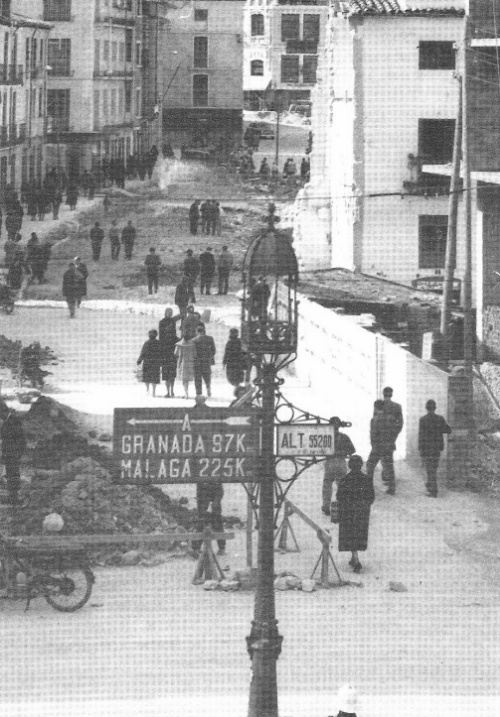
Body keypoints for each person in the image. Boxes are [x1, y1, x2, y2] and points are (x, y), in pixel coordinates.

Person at [191, 396, 226, 556]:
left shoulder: (208, 418)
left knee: (213, 514)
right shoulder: (196, 417)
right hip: (205, 481)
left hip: (213, 481)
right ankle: (198, 546)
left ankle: (219, 546)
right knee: (204, 515)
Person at [337, 454, 375, 573]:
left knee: (350, 535)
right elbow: (371, 497)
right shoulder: (367, 479)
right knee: (358, 535)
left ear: (349, 466)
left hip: (348, 513)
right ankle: (354, 558)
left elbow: (339, 496)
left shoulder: (344, 480)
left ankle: (356, 559)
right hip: (362, 513)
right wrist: (364, 506)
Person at [418, 399, 451, 497]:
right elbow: (448, 430)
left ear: (426, 408)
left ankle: (433, 490)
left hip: (427, 448)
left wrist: (421, 450)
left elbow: (421, 436)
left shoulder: (423, 419)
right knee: (433, 469)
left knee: (429, 469)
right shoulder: (440, 419)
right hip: (436, 448)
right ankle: (430, 486)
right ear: (435, 408)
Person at [321, 424, 356, 515]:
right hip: (341, 462)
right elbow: (352, 450)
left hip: (330, 462)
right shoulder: (344, 437)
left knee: (327, 485)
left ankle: (326, 507)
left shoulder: (326, 437)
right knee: (342, 485)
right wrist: (343, 451)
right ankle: (343, 506)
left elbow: (320, 449)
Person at [365, 399, 398, 495]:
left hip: (378, 447)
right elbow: (394, 432)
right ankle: (392, 488)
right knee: (389, 466)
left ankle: (369, 488)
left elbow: (373, 435)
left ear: (375, 407)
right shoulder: (391, 418)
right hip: (389, 446)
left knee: (370, 466)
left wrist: (374, 446)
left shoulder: (375, 419)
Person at [1, 410, 26, 505]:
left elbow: (21, 439)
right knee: (11, 475)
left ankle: (14, 498)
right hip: (10, 455)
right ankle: (12, 497)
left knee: (13, 475)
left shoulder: (13, 421)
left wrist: (17, 454)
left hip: (13, 455)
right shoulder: (8, 421)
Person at [159, 308, 181, 397]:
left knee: (171, 373)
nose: (170, 314)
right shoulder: (163, 322)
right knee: (168, 373)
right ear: (165, 313)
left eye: (171, 313)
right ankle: (169, 392)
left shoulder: (171, 321)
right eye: (169, 312)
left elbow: (174, 335)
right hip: (166, 351)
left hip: (170, 350)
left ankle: (171, 391)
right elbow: (161, 336)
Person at [136, 329, 162, 397]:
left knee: (147, 378)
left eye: (150, 334)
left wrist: (139, 360)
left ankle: (148, 390)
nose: (149, 335)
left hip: (148, 362)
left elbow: (143, 353)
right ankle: (153, 392)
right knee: (154, 378)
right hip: (155, 363)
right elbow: (161, 353)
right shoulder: (158, 343)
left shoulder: (147, 343)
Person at [193, 325, 216, 397]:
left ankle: (199, 393)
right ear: (204, 331)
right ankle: (208, 387)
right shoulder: (210, 338)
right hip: (206, 361)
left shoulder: (194, 340)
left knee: (197, 378)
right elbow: (214, 350)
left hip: (197, 362)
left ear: (197, 332)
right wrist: (209, 356)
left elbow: (192, 352)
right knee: (207, 376)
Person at [174, 331, 196, 399]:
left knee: (184, 379)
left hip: (182, 362)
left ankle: (186, 392)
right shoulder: (192, 344)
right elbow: (195, 354)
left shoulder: (179, 344)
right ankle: (186, 392)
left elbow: (175, 354)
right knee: (187, 378)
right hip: (190, 362)